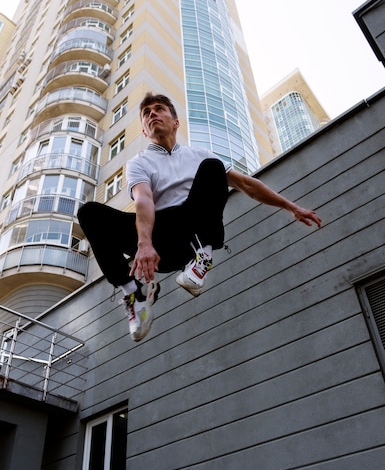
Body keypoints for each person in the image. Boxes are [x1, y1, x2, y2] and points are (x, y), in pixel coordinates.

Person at [78, 93, 321, 343]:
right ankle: (135, 295)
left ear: (175, 122)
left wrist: (290, 206)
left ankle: (202, 258)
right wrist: (145, 243)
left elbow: (247, 184)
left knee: (213, 166)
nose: (152, 114)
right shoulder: (139, 163)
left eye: (159, 109)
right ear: (143, 131)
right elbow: (143, 200)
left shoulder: (199, 155)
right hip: (158, 238)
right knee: (89, 213)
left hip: (191, 233)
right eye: (147, 113)